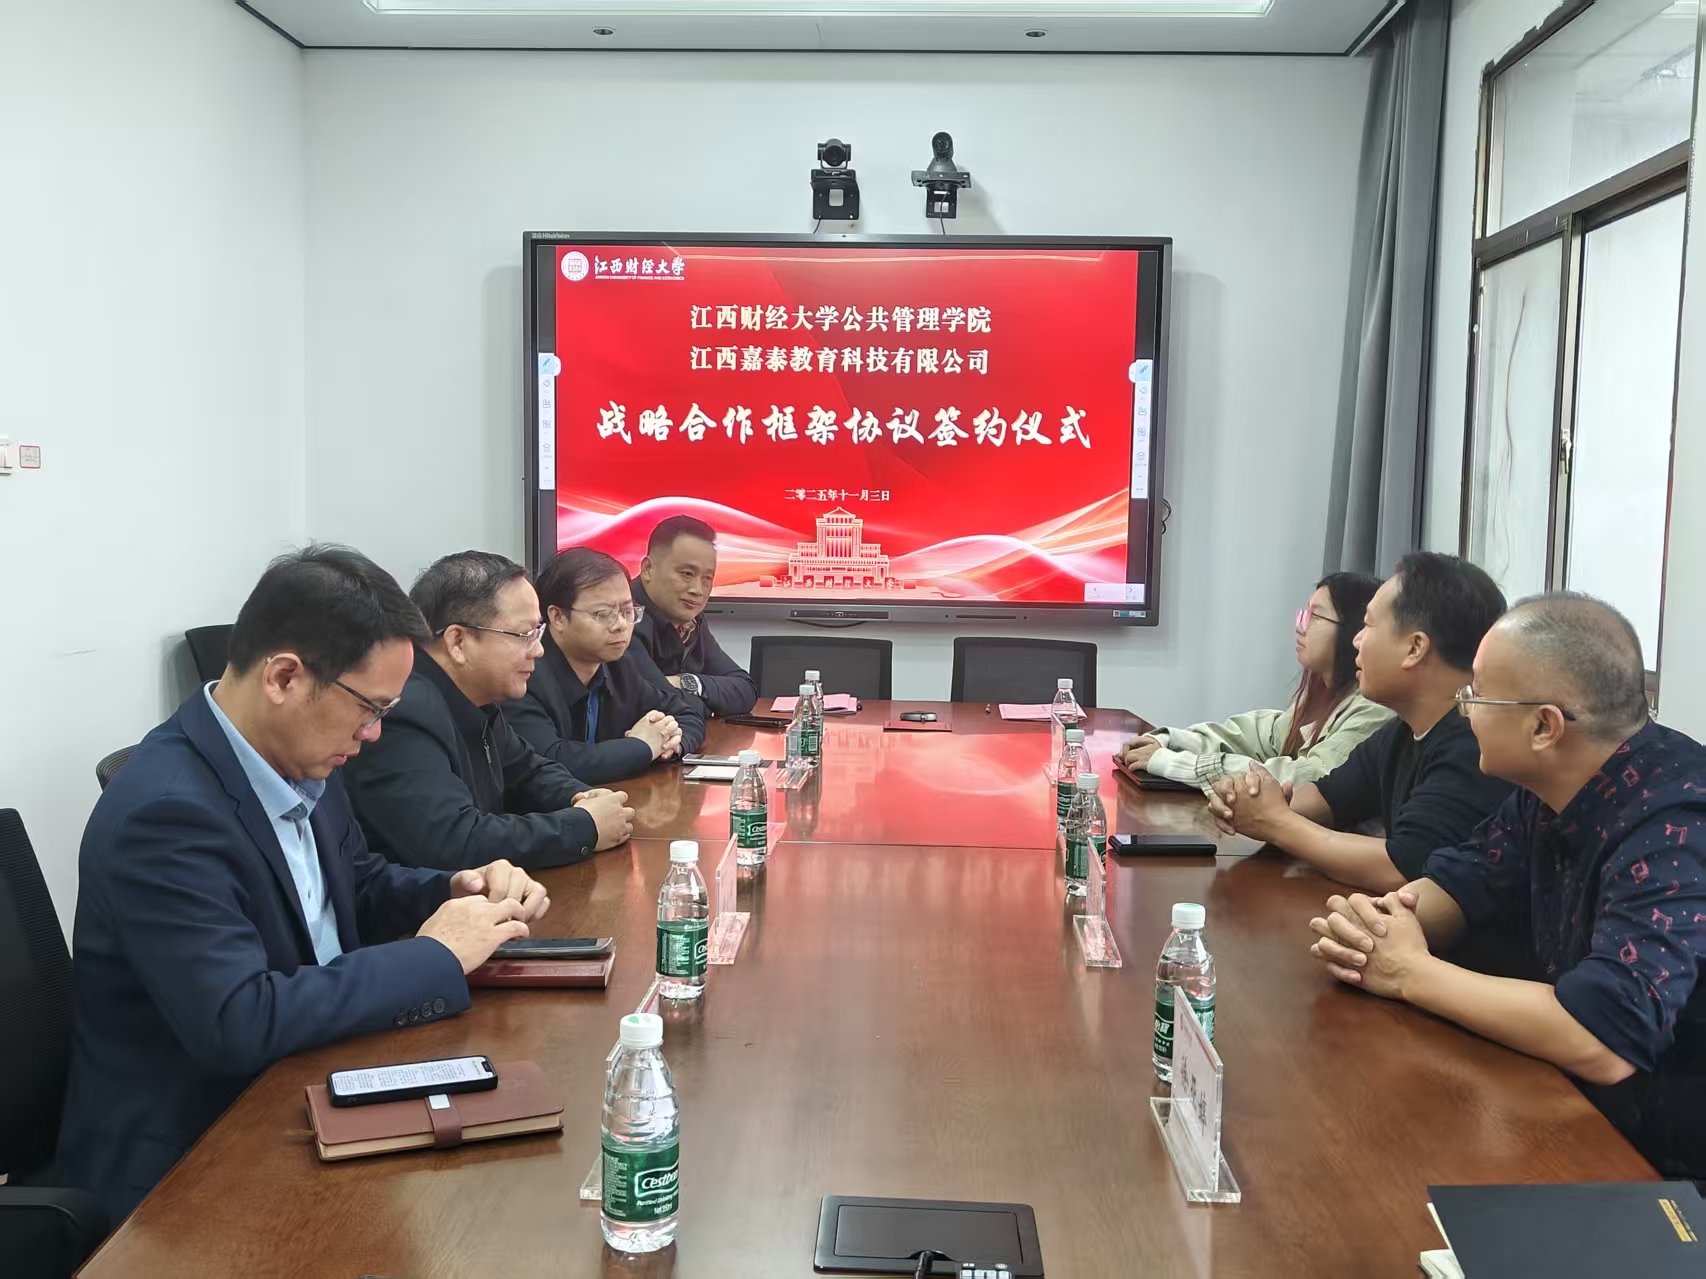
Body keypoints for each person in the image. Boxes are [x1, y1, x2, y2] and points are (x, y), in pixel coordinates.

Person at [53, 545, 551, 1222]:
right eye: (369, 708)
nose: (375, 734)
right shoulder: (165, 814)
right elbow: (238, 1019)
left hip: (309, 1073)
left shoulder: (298, 751)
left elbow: (354, 883)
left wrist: (454, 891)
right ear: (284, 677)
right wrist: (434, 954)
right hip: (194, 1158)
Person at [1308, 594, 1706, 1181]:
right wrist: (1380, 927)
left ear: (1544, 725)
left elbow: (1606, 1037)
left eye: (1477, 695)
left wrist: (1409, 972)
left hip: (1665, 1163)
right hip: (1574, 1106)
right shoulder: (1550, 786)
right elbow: (1468, 877)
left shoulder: (1673, 823)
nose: (1464, 711)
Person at [1209, 552, 1512, 892]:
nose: (1356, 640)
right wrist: (1246, 799)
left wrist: (1275, 822)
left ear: (1415, 648)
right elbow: (1324, 799)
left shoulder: (1473, 743)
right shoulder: (1401, 731)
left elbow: (1402, 869)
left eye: (1367, 625)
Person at [343, 550, 634, 871]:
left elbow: (528, 771)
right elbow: (454, 840)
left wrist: (582, 797)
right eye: (524, 635)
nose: (538, 650)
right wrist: (583, 827)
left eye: (537, 633)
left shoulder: (477, 699)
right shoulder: (403, 710)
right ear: (458, 641)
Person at [1119, 573, 1393, 790]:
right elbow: (1255, 737)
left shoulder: (1375, 708)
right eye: (1304, 615)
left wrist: (1174, 764)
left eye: (1315, 616)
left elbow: (1308, 777)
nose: (1301, 626)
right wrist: (1170, 741)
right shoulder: (1320, 698)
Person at [507, 547, 707, 784]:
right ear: (557, 617)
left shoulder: (619, 667)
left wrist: (669, 745)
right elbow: (551, 760)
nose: (621, 624)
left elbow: (687, 712)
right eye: (603, 614)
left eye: (627, 611)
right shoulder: (525, 673)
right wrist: (641, 747)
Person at [631, 515, 757, 717]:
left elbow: (745, 690)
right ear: (648, 569)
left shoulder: (690, 622)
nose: (697, 590)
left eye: (707, 578)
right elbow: (656, 702)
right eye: (687, 574)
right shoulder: (623, 618)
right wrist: (707, 704)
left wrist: (685, 682)